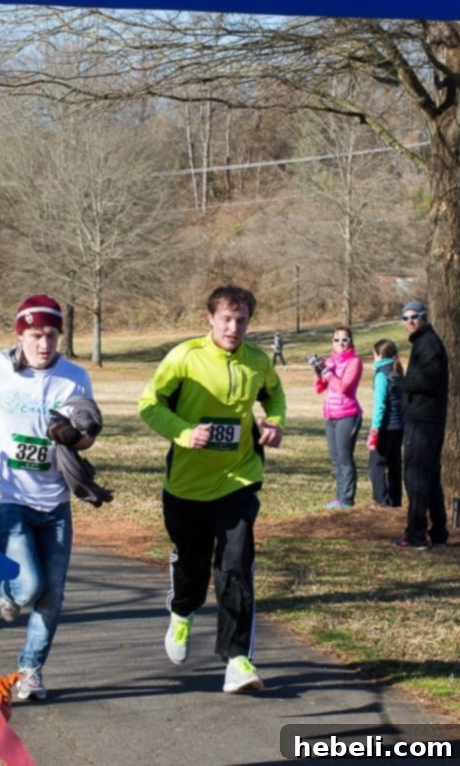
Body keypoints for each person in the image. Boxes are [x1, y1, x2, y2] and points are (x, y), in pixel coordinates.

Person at [0, 294, 96, 701]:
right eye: (34, 335)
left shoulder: (75, 377)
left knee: (53, 594)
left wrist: (74, 438)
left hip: (56, 499)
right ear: (20, 335)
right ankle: (6, 592)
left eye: (50, 335)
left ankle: (30, 671)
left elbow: (87, 434)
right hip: (8, 496)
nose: (43, 344)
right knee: (28, 587)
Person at [138, 285, 286, 694]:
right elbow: (150, 405)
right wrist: (184, 433)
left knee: (235, 565)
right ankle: (182, 611)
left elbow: (274, 395)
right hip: (186, 484)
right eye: (226, 319)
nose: (234, 328)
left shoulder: (256, 361)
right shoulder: (185, 358)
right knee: (194, 563)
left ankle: (237, 659)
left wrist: (274, 423)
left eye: (241, 321)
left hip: (238, 477)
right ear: (210, 319)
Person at [392, 300, 448, 549]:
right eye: (405, 318)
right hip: (426, 420)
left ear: (424, 317)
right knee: (430, 478)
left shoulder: (429, 344)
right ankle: (439, 534)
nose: (409, 321)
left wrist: (398, 380)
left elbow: (427, 381)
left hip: (423, 422)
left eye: (414, 316)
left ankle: (415, 535)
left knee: (416, 478)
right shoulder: (424, 342)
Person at [309, 326, 363, 509]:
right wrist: (318, 372)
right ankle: (339, 497)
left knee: (345, 457)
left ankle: (347, 499)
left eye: (345, 339)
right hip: (330, 416)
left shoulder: (354, 362)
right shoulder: (330, 361)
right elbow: (318, 389)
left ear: (351, 342)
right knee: (335, 458)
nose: (340, 343)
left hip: (348, 414)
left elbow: (343, 387)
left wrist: (328, 373)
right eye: (337, 339)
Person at [366, 339, 404, 508]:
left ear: (379, 355)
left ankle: (381, 500)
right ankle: (396, 500)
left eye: (374, 354)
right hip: (399, 426)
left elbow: (380, 405)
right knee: (394, 464)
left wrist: (375, 429)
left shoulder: (382, 375)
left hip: (386, 427)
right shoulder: (398, 372)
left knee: (376, 464)